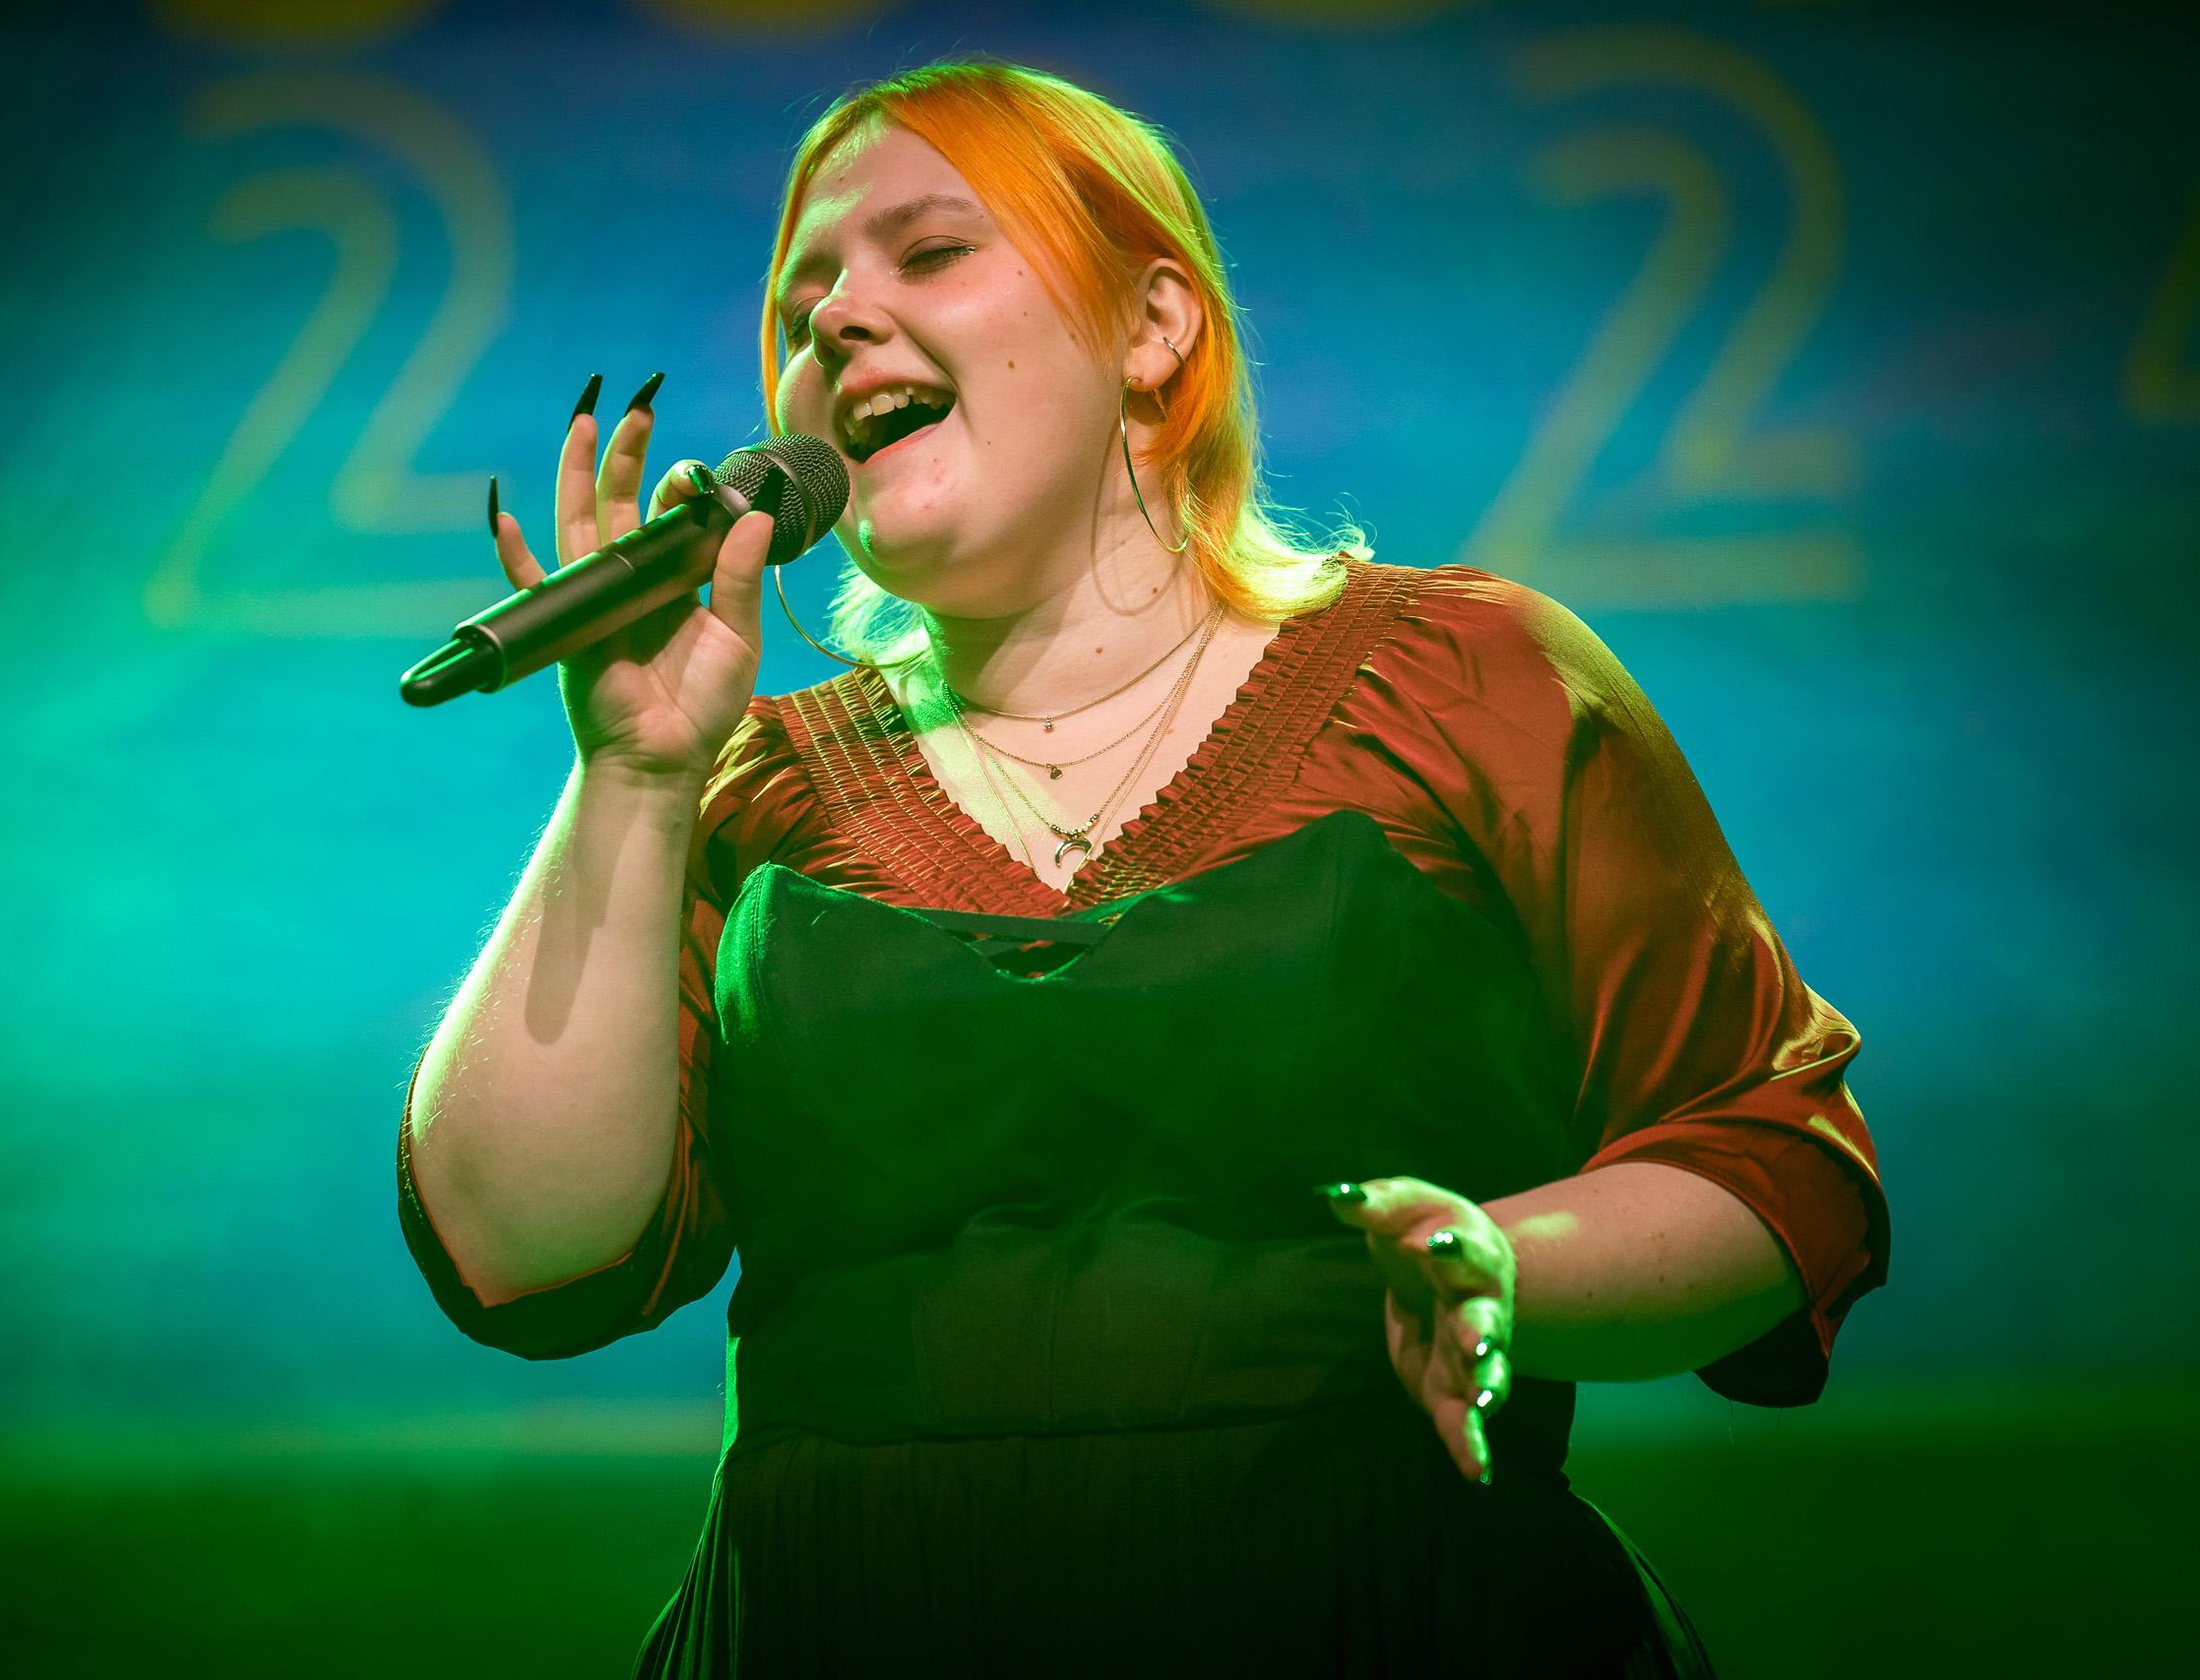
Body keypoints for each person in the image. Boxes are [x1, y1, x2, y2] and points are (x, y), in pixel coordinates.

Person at [398, 62, 1887, 1678]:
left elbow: (1771, 1158)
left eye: (929, 252)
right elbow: (519, 1251)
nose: (835, 318)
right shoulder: (750, 788)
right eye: (801, 300)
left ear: (1155, 324)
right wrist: (632, 777)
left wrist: (1503, 1271)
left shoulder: (1470, 681)